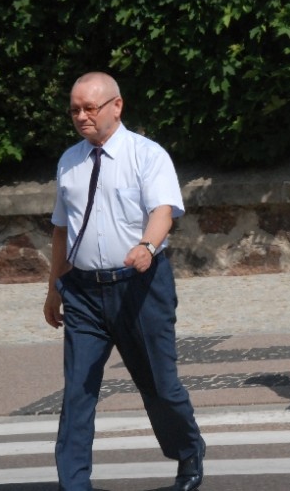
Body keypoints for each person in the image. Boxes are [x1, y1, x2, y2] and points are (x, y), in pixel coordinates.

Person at [43, 72, 205, 491]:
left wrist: (147, 247)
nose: (81, 116)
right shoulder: (69, 161)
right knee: (77, 392)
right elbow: (61, 230)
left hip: (140, 287)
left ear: (117, 106)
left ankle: (188, 451)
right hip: (82, 291)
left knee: (159, 385)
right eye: (74, 110)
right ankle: (73, 484)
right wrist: (53, 290)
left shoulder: (147, 155)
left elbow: (163, 211)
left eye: (89, 108)